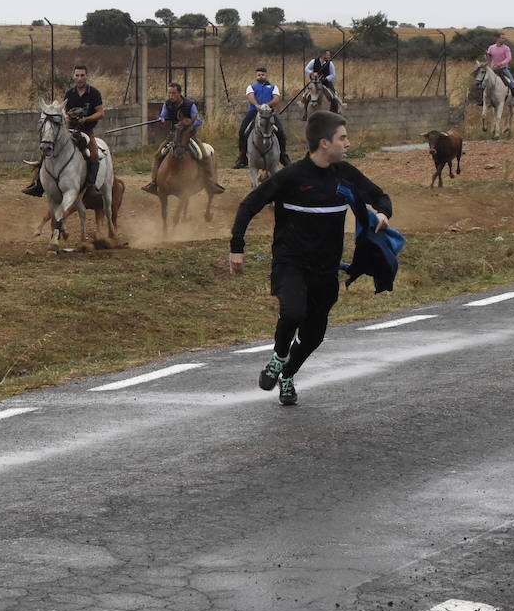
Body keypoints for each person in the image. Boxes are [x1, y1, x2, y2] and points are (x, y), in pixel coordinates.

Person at [229, 111, 392, 406]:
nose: (348, 143)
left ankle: (288, 374)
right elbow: (248, 206)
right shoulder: (291, 177)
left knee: (314, 335)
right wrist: (236, 246)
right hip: (290, 262)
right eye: (343, 138)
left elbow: (380, 196)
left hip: (327, 269)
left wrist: (382, 214)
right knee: (292, 312)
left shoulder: (345, 175)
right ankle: (278, 358)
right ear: (324, 143)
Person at [23, 65, 105, 196]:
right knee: (46, 149)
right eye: (77, 75)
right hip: (69, 129)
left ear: (86, 76)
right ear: (73, 77)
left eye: (82, 75)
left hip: (87, 130)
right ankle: (38, 184)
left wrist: (86, 119)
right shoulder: (69, 94)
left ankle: (90, 186)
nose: (79, 78)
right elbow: (64, 113)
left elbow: (100, 113)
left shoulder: (94, 93)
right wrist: (66, 118)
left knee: (94, 154)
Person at [141, 82, 225, 195]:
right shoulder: (167, 104)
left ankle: (210, 183)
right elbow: (163, 115)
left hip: (190, 135)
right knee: (157, 155)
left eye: (173, 93)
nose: (171, 96)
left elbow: (199, 120)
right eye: (169, 93)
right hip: (174, 135)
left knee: (204, 155)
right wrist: (161, 119)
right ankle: (154, 183)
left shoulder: (189, 105)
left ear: (179, 93)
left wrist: (187, 123)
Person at [233, 67, 292, 169]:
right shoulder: (251, 87)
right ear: (256, 76)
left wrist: (266, 105)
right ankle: (243, 157)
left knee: (281, 132)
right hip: (254, 112)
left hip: (269, 113)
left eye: (263, 75)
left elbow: (276, 98)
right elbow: (251, 96)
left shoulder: (274, 87)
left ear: (266, 75)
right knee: (242, 132)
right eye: (259, 75)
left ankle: (283, 156)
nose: (261, 76)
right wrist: (257, 105)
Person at [486, 34, 514, 106]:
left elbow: (509, 58)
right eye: (502, 38)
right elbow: (489, 59)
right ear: (498, 38)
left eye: (504, 38)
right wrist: (487, 55)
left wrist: (501, 63)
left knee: (511, 82)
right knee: (484, 82)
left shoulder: (506, 48)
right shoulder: (491, 47)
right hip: (493, 69)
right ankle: (483, 100)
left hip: (503, 69)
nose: (504, 40)